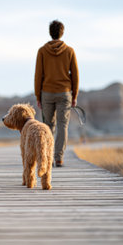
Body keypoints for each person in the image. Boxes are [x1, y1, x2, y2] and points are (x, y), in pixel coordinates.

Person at [34, 20, 79, 167]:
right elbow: (75, 75)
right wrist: (75, 95)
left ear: (50, 32)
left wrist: (37, 95)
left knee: (47, 127)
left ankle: (48, 158)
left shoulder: (42, 51)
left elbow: (38, 75)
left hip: (46, 93)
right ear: (62, 32)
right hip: (64, 93)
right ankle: (59, 157)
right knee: (62, 125)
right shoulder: (69, 51)